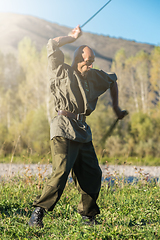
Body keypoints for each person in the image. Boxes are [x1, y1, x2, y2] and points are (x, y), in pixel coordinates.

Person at [28, 25, 126, 228]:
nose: (90, 66)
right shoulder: (61, 70)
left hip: (82, 130)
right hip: (63, 126)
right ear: (77, 59)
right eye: (87, 62)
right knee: (62, 170)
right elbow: (52, 44)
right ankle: (38, 212)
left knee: (92, 173)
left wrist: (116, 107)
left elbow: (112, 80)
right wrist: (72, 37)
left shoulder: (93, 76)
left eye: (92, 63)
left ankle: (88, 217)